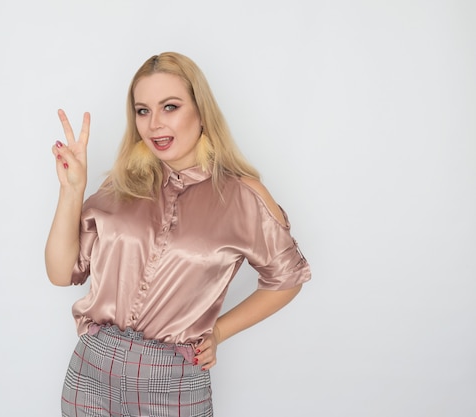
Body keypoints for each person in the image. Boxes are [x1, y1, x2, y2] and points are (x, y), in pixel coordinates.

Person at [45, 52, 311, 417]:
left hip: (172, 385)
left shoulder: (242, 196)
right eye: (143, 111)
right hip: (91, 375)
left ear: (201, 112)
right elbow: (61, 273)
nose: (154, 124)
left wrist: (218, 332)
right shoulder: (121, 186)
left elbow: (287, 278)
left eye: (169, 107)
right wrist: (71, 190)